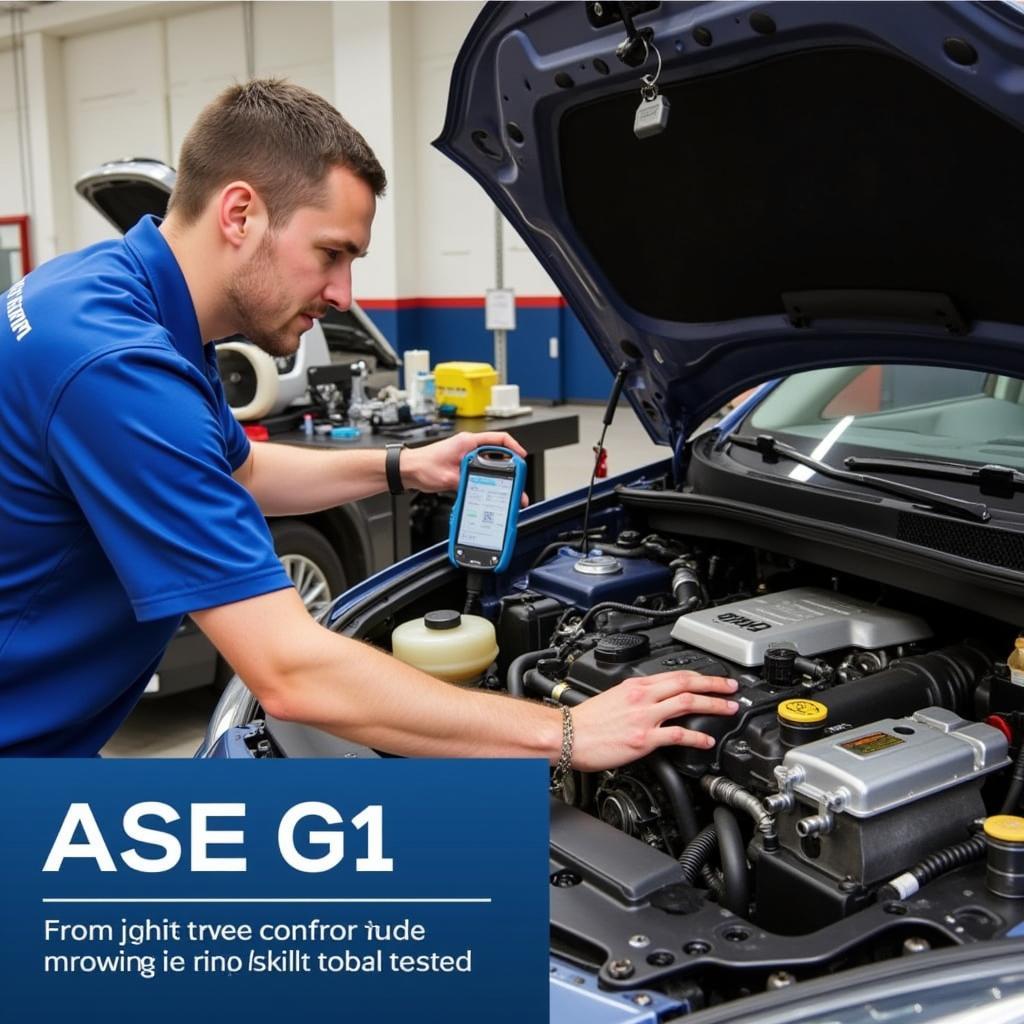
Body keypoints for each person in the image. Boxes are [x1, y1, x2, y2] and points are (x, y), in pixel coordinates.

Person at [0, 79, 739, 759]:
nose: (344, 292)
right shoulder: (118, 368)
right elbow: (290, 672)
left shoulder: (103, 290)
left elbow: (243, 470)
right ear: (240, 213)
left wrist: (401, 465)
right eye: (331, 253)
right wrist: (571, 729)